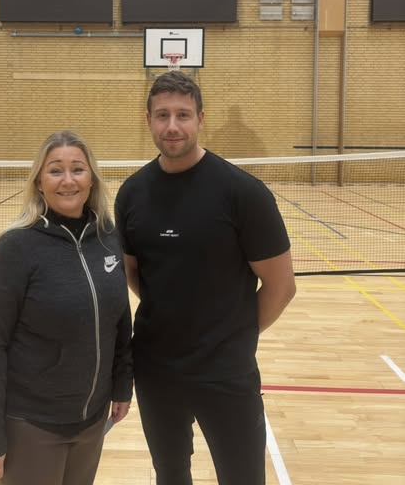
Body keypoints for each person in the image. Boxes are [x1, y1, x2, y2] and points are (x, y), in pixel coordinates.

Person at [114, 71, 296, 485]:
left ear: (200, 119)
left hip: (225, 373)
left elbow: (281, 286)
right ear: (148, 121)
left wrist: (231, 336)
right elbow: (135, 273)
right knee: (170, 474)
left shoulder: (243, 193)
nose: (172, 126)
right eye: (162, 115)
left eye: (183, 114)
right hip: (156, 370)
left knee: (242, 477)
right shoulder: (132, 193)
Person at [0, 130, 133, 485]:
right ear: (39, 183)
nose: (68, 180)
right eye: (55, 170)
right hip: (32, 425)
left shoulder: (108, 237)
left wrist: (122, 384)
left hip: (92, 422)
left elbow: (120, 320)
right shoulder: (15, 248)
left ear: (92, 179)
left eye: (78, 169)